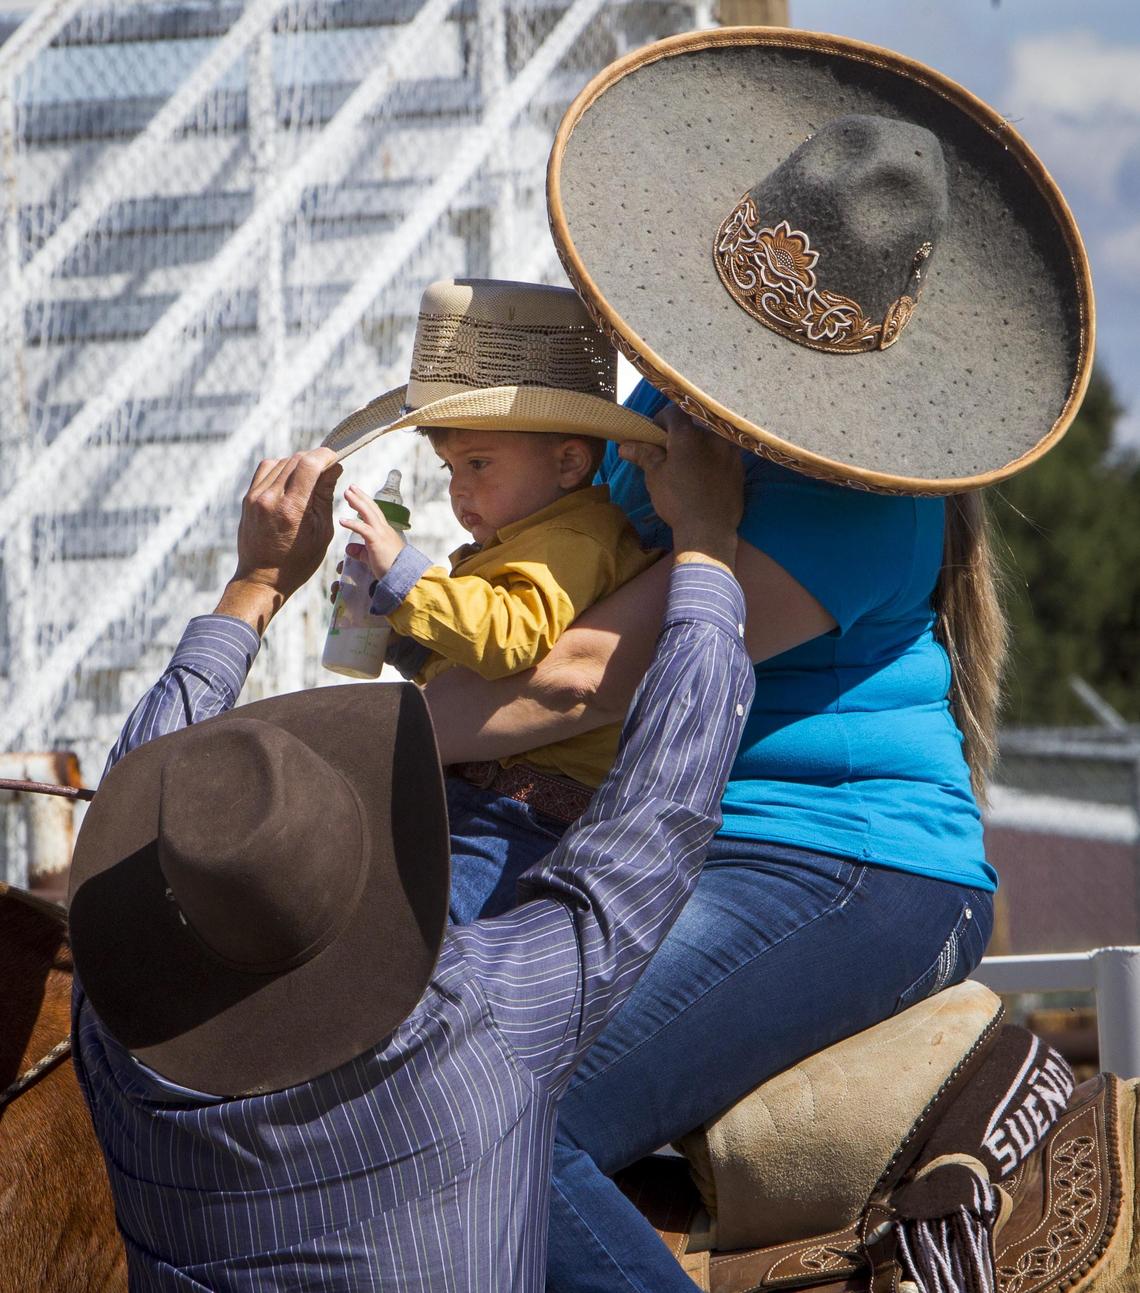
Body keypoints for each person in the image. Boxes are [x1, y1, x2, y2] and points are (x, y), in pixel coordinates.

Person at [419, 30, 1094, 1292]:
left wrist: (347, 744)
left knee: (500, 1108)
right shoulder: (654, 422)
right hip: (684, 844)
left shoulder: (853, 495)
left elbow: (585, 678)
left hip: (845, 864)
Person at [68, 426, 754, 1292]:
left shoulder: (113, 1042)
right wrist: (706, 545)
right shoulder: (481, 1024)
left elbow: (130, 806)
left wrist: (257, 581)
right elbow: (658, 814)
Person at [327, 277, 663, 921]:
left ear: (569, 464)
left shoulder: (572, 538)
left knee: (425, 939)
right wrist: (397, 628)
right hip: (487, 798)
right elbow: (471, 658)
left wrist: (405, 576)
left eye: (478, 464)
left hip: (527, 817)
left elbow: (509, 637)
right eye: (452, 469)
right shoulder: (526, 539)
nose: (459, 491)